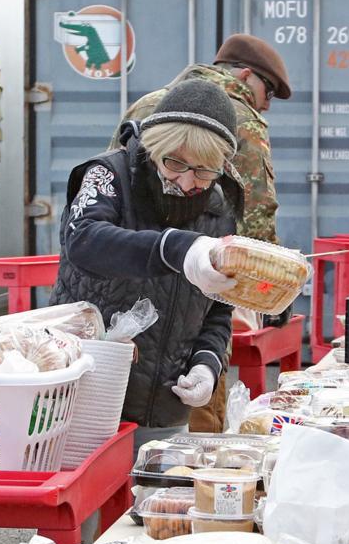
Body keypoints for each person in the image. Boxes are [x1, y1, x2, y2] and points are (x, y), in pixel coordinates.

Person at [50, 79, 245, 452]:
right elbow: (84, 241)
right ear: (156, 145)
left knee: (156, 505)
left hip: (165, 408)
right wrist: (177, 248)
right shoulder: (109, 176)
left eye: (204, 171)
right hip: (87, 399)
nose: (187, 181)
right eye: (175, 162)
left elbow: (218, 306)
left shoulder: (219, 207)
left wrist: (207, 364)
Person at [120, 34, 292, 433]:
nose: (265, 104)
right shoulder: (240, 119)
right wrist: (273, 294)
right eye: (266, 91)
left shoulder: (149, 102)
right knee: (193, 427)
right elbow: (255, 211)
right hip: (193, 290)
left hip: (126, 289)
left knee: (118, 434)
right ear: (246, 75)